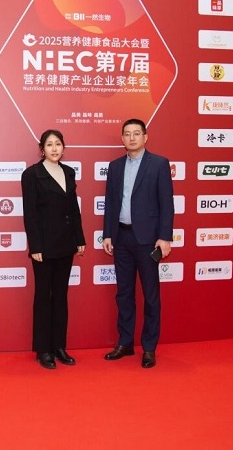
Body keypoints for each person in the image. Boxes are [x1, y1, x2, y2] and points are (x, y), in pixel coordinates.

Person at [102, 119, 174, 369]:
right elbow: (110, 203)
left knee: (151, 295)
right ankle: (125, 342)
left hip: (148, 240)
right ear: (122, 138)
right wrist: (108, 234)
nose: (131, 138)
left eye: (136, 133)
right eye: (127, 134)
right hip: (121, 238)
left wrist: (165, 237)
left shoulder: (159, 164)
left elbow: (167, 204)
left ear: (145, 137)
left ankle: (149, 347)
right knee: (124, 294)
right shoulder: (115, 166)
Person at [21, 129, 86, 369]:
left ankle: (59, 346)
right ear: (42, 149)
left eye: (58, 144)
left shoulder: (68, 172)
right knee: (43, 297)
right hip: (44, 247)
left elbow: (74, 209)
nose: (54, 149)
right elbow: (30, 213)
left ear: (63, 147)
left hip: (66, 244)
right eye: (49, 145)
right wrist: (35, 246)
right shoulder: (32, 174)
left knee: (60, 297)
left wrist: (79, 238)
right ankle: (43, 350)